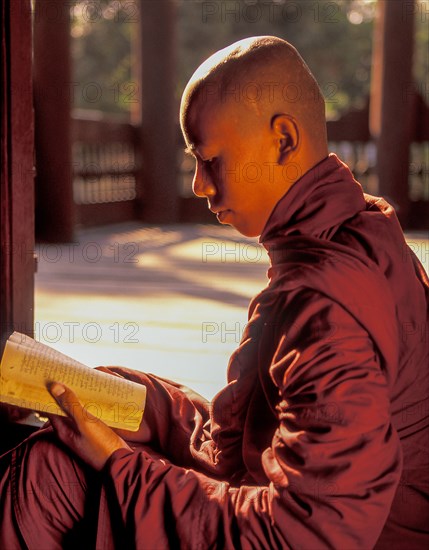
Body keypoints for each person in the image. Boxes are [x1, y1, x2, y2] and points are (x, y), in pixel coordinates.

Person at [1, 36, 428, 549]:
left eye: (211, 160)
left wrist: (121, 466)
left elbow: (302, 533)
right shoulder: (360, 229)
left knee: (51, 475)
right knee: (89, 431)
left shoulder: (326, 305)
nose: (200, 185)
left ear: (283, 141)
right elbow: (248, 436)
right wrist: (124, 400)